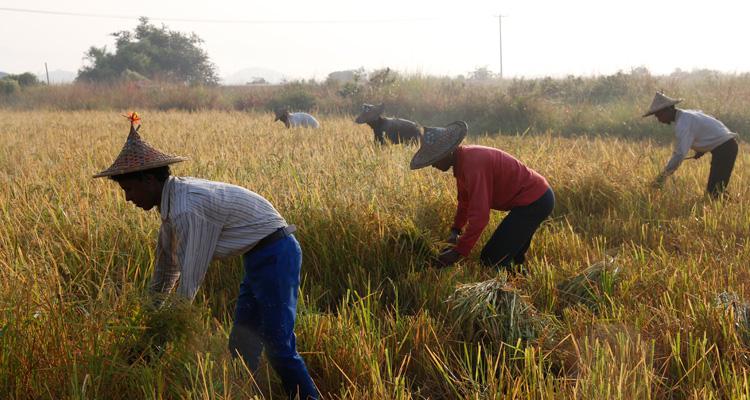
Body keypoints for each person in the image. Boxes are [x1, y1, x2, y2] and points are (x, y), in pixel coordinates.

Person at [94, 113, 319, 400]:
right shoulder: (172, 205)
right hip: (256, 257)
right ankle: (244, 394)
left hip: (276, 254)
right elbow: (166, 268)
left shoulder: (188, 208)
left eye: (129, 188)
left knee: (279, 345)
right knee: (241, 345)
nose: (127, 198)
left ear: (149, 179)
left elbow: (190, 276)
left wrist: (169, 329)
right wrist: (150, 318)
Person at [409, 121, 554, 270]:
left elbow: (480, 218)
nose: (433, 165)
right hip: (533, 199)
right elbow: (465, 202)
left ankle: (504, 290)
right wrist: (455, 231)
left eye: (434, 159)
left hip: (535, 201)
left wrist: (458, 252)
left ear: (447, 152)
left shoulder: (473, 165)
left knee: (492, 259)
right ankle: (517, 283)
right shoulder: (463, 162)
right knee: (511, 257)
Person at [644, 92, 739, 198]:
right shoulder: (689, 114)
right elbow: (712, 125)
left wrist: (662, 177)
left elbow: (680, 154)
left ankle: (737, 210)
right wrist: (701, 150)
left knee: (714, 192)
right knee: (715, 191)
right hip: (726, 147)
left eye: (659, 115)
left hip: (725, 149)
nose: (659, 120)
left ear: (669, 109)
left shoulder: (683, 123)